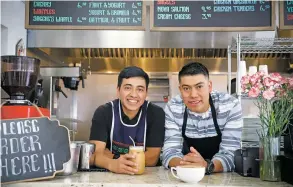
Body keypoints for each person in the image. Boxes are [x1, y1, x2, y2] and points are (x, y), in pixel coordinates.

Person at [162, 62, 243, 174]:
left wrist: (207, 166)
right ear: (180, 89)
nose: (193, 95)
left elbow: (231, 154)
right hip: (186, 176)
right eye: (186, 88)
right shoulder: (173, 108)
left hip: (219, 178)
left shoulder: (229, 106)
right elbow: (169, 152)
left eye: (199, 86)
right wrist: (189, 166)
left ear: (209, 86)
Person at [89, 66, 165, 175]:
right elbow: (95, 155)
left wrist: (114, 158)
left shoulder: (156, 114)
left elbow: (152, 158)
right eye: (128, 88)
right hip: (110, 178)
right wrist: (112, 165)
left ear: (146, 93)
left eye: (140, 89)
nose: (134, 94)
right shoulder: (103, 112)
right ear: (118, 90)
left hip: (146, 178)